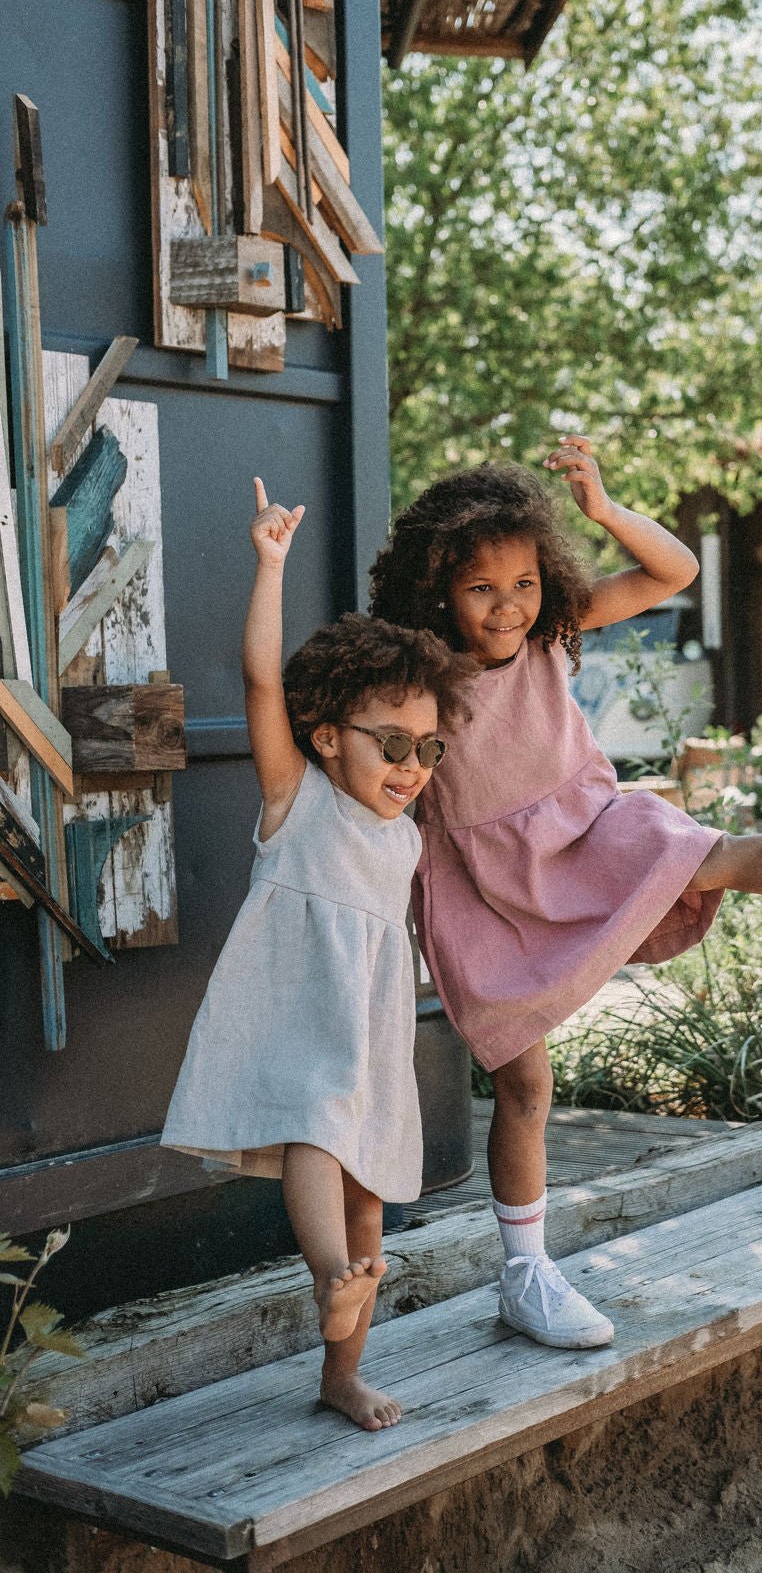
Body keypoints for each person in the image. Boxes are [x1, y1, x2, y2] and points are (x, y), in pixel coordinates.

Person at [369, 437, 762, 1352]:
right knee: (524, 1084)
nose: (508, 606)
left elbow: (671, 567)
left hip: (587, 826)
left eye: (524, 583)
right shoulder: (415, 675)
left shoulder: (555, 629)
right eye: (482, 588)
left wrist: (603, 507)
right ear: (437, 588)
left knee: (701, 851)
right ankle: (525, 1272)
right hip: (479, 885)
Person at [163, 479, 474, 1429]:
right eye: (391, 744)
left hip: (368, 1017)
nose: (411, 767)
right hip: (297, 1003)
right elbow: (262, 679)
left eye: (427, 748)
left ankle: (342, 1370)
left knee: (369, 1196)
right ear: (329, 734)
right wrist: (270, 563)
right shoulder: (297, 802)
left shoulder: (404, 835)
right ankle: (329, 1273)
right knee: (316, 1129)